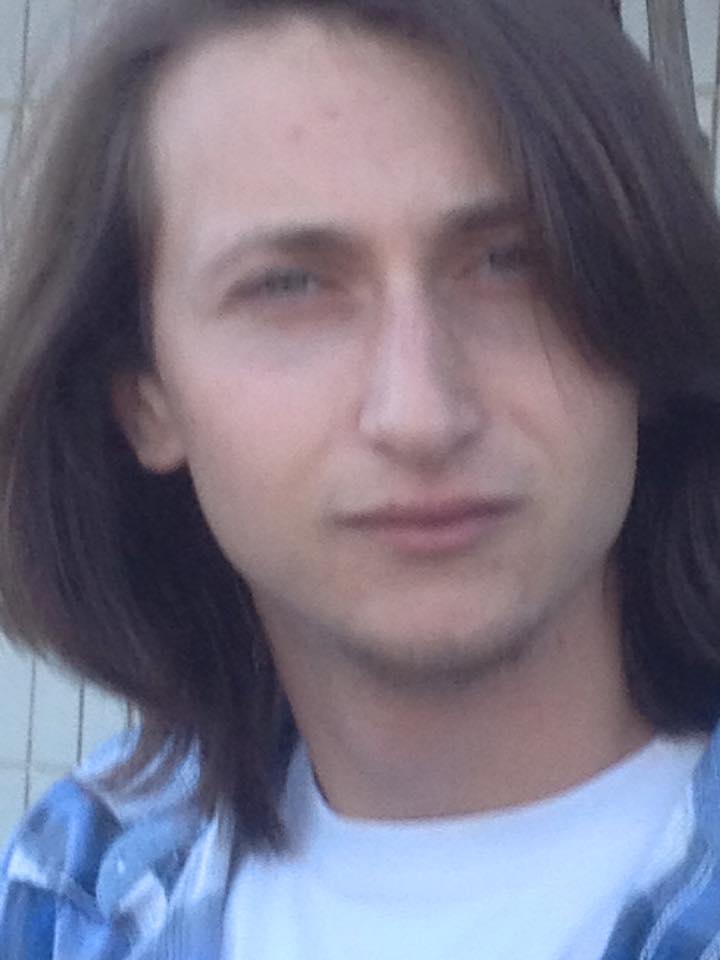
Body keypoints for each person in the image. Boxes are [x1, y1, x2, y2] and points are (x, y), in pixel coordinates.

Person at [1, 0, 720, 956]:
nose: (420, 414)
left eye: (513, 263)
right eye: (290, 285)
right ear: (145, 398)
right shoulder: (76, 890)